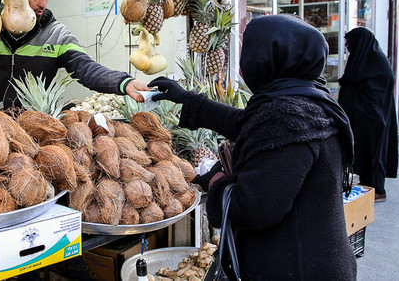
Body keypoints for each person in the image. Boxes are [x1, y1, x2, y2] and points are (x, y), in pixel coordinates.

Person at [149, 14, 357, 280]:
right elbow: (251, 125)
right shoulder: (310, 100)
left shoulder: (288, 116)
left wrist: (217, 181)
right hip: (319, 261)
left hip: (297, 269)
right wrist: (186, 99)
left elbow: (253, 209)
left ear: (266, 58)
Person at [0, 0, 149, 108]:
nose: (43, 3)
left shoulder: (56, 34)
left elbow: (85, 68)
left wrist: (124, 82)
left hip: (33, 126)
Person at [338, 27, 399, 202]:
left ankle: (377, 188)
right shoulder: (364, 59)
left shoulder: (376, 62)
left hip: (374, 119)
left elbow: (376, 89)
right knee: (364, 151)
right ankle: (368, 183)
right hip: (364, 117)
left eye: (350, 41)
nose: (348, 45)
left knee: (374, 152)